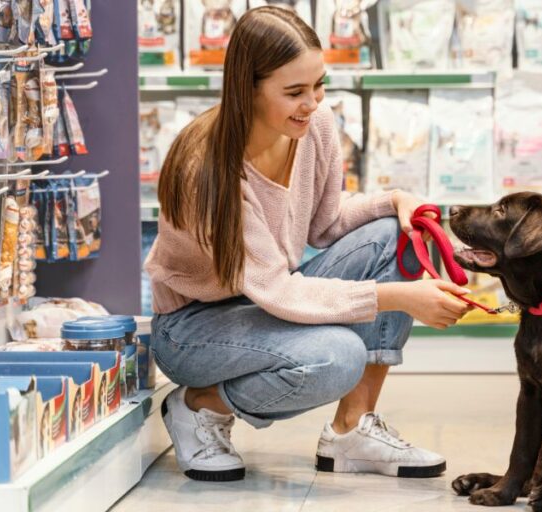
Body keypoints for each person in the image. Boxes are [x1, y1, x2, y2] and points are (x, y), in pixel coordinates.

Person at [144, 5, 472, 483]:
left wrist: (396, 200)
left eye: (319, 85)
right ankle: (199, 406)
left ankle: (351, 430)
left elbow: (326, 224)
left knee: (395, 236)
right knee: (337, 355)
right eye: (294, 91)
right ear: (247, 90)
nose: (313, 102)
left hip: (265, 300)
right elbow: (278, 289)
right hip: (193, 329)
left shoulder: (313, 125)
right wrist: (399, 298)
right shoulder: (208, 172)